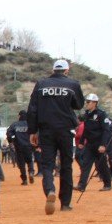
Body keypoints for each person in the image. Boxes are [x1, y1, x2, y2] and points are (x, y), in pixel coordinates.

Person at [27, 59, 85, 215]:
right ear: (66, 71)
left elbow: (32, 109)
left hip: (46, 130)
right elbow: (79, 105)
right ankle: (65, 203)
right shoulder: (73, 84)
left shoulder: (41, 84)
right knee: (66, 165)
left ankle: (50, 190)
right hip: (66, 130)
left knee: (47, 165)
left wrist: (32, 131)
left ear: (53, 70)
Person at [76, 94, 112, 193]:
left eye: (89, 102)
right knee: (85, 164)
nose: (87, 104)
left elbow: (106, 130)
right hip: (89, 144)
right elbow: (86, 129)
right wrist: (81, 141)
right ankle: (81, 185)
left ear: (95, 103)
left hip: (99, 144)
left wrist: (103, 145)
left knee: (101, 165)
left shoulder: (101, 114)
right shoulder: (87, 114)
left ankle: (107, 184)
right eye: (86, 102)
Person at [6, 110, 36, 185]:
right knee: (30, 161)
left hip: (19, 146)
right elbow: (36, 133)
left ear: (19, 116)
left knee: (21, 164)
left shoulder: (15, 124)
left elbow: (8, 133)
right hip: (29, 146)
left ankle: (25, 180)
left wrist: (11, 141)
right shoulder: (30, 124)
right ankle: (31, 172)